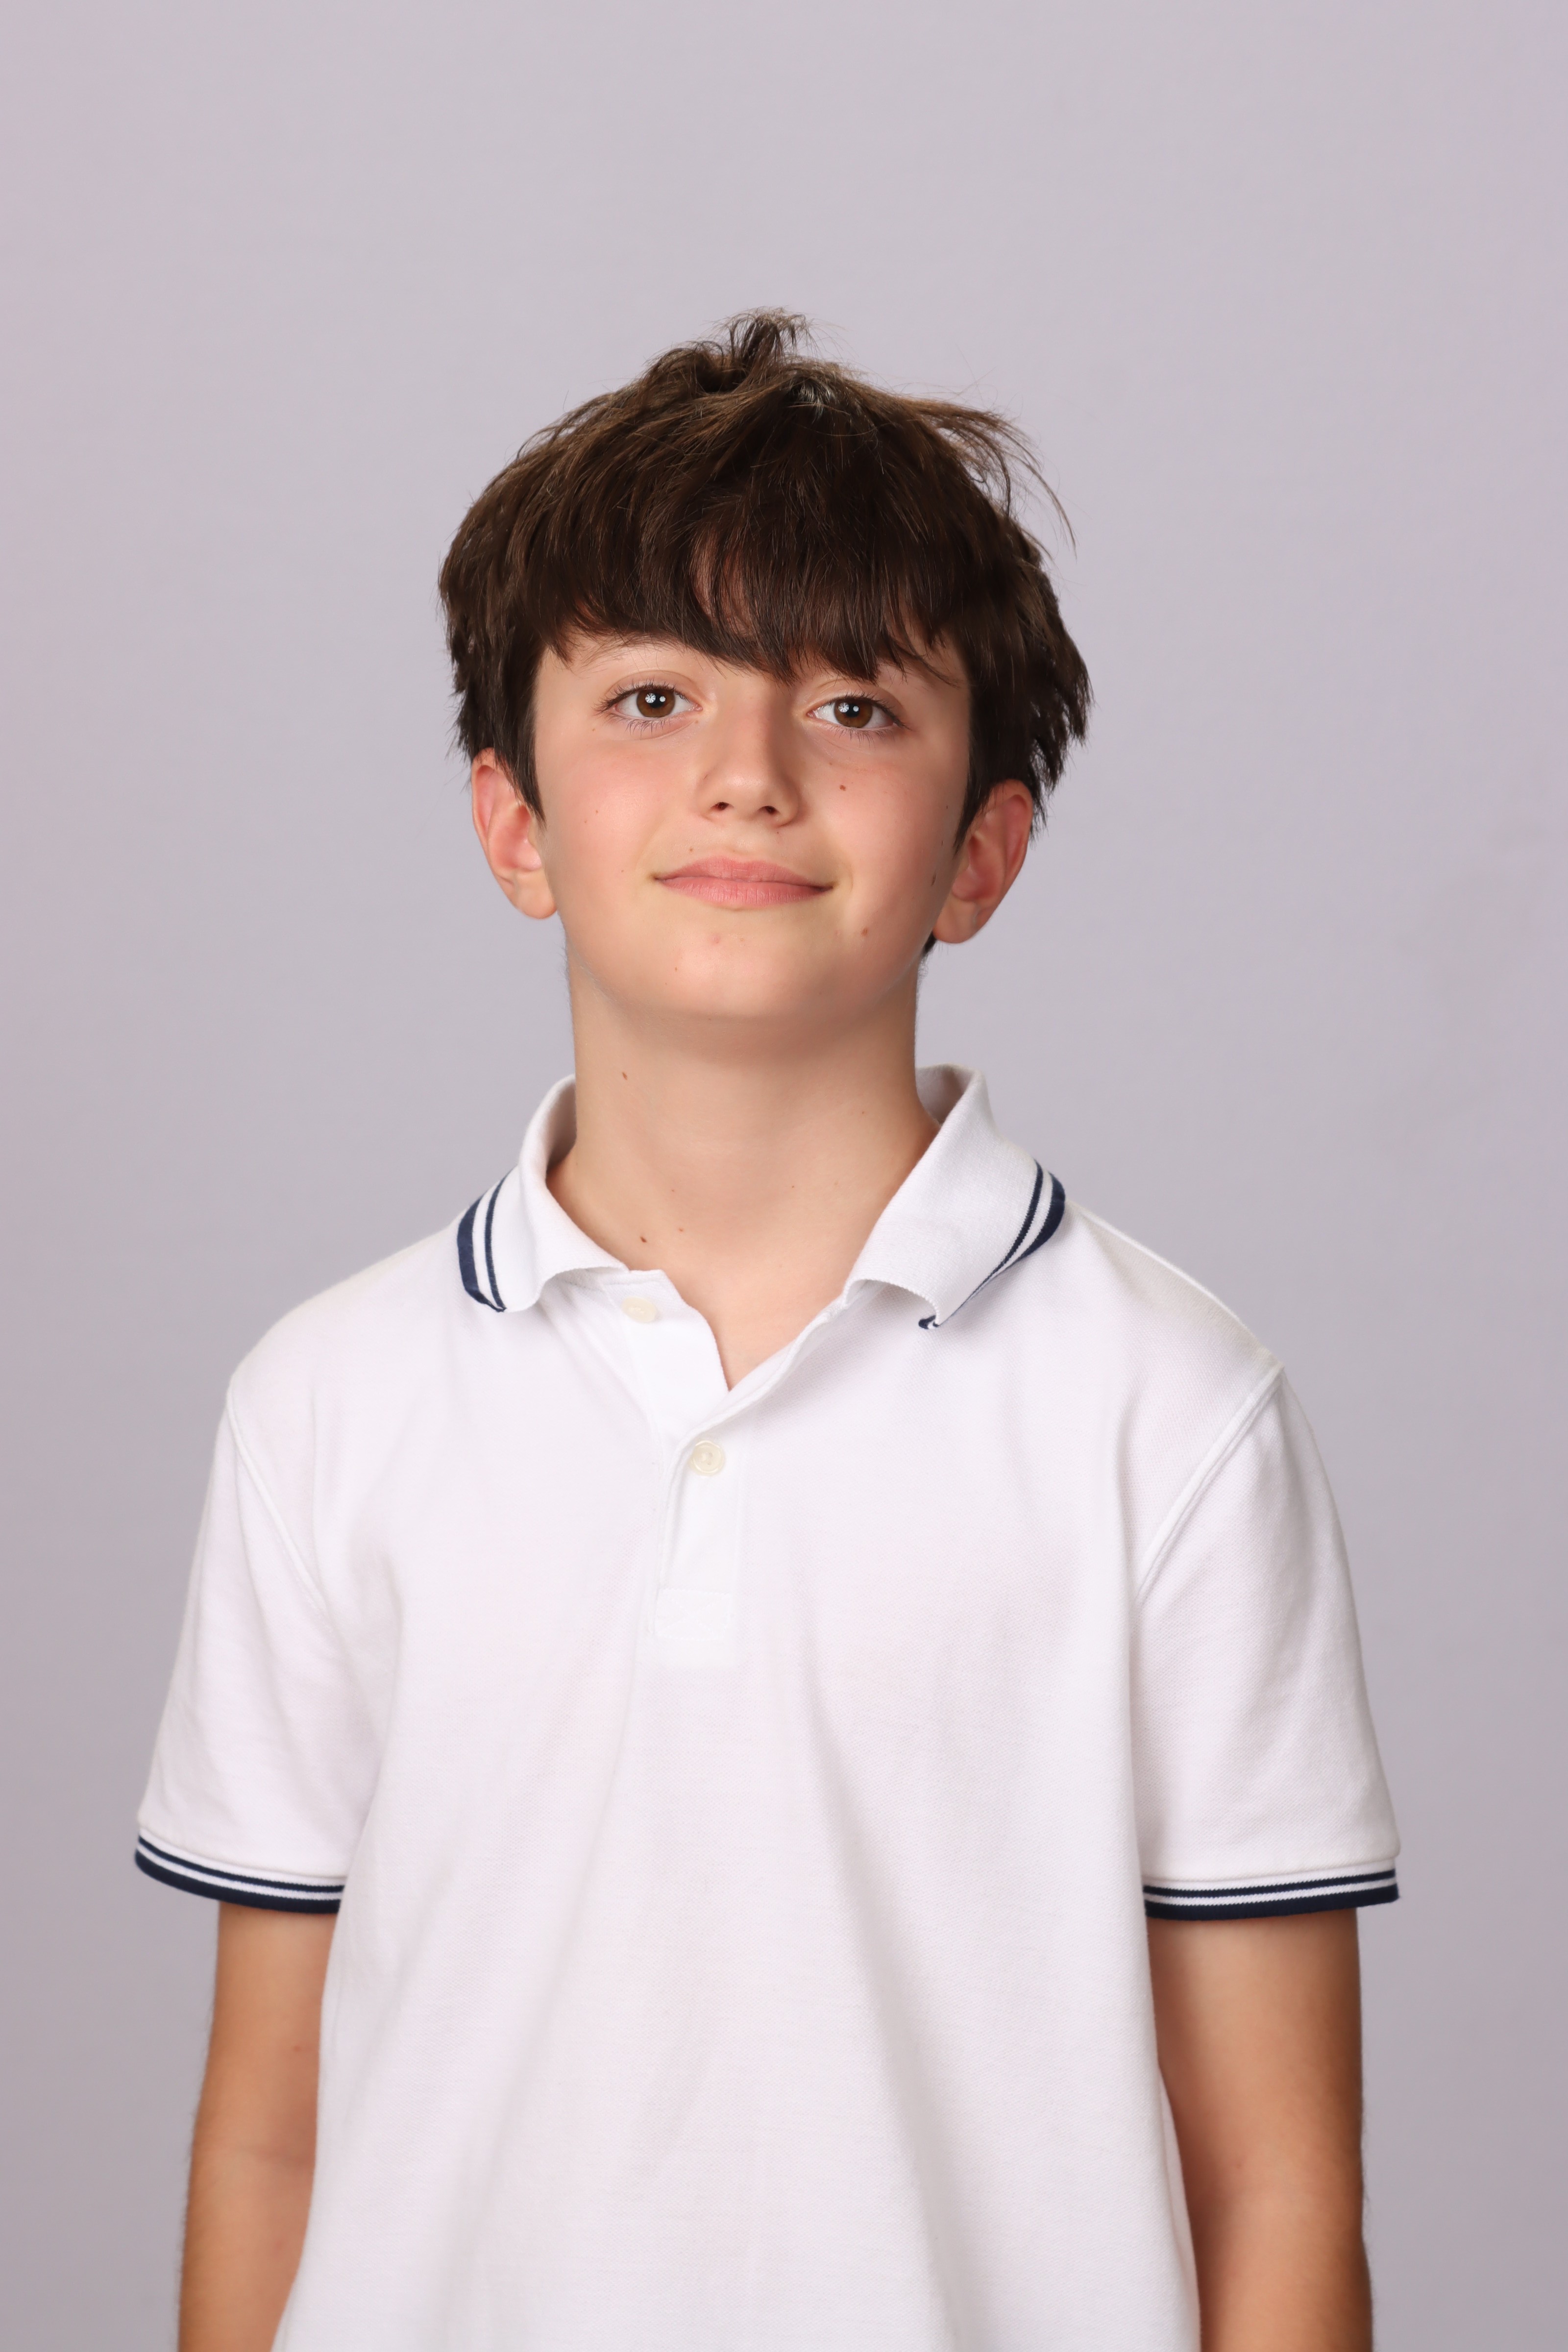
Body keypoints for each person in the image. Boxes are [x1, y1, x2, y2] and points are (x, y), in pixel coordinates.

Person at [137, 313, 1398, 2352]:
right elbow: (269, 2141)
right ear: (513, 825)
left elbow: (1276, 2188)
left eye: (852, 704)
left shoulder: (1169, 1416)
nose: (745, 772)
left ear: (980, 852)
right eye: (651, 696)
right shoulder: (328, 1406)